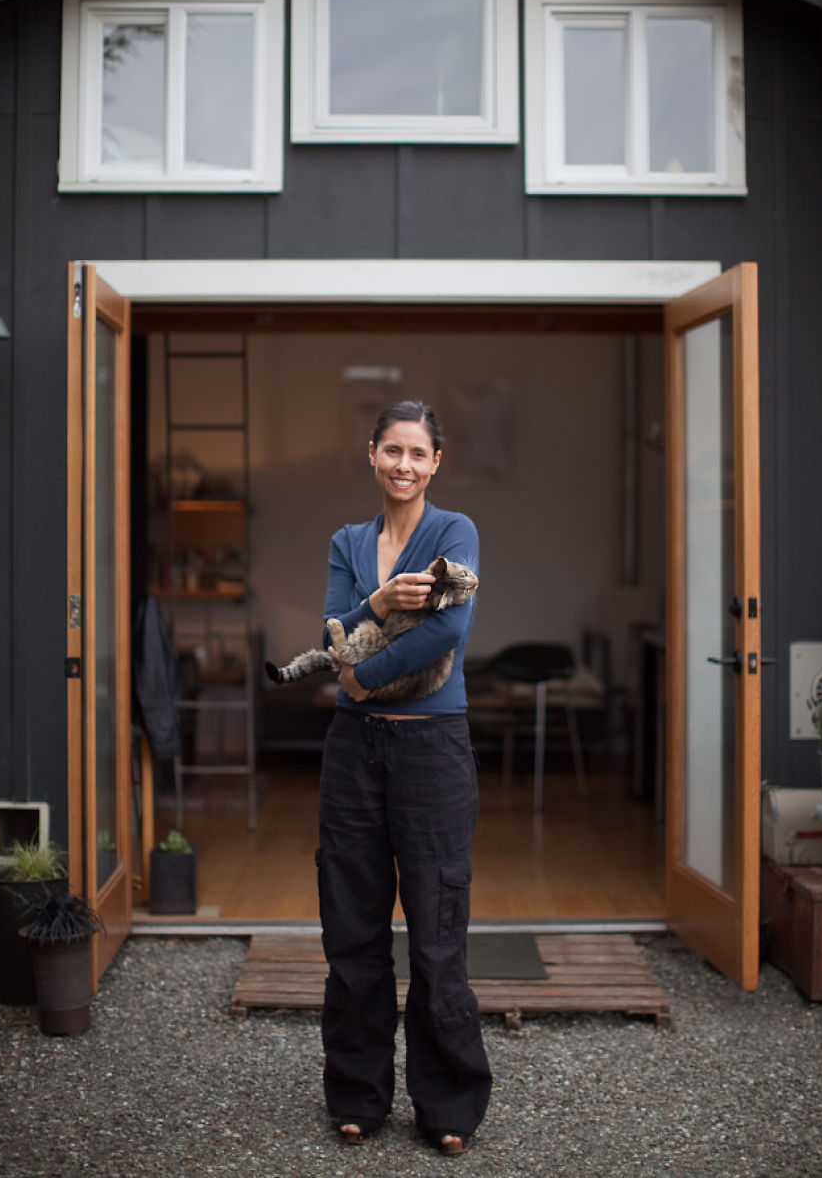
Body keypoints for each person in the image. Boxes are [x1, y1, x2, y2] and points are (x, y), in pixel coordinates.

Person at [317, 399, 492, 1157]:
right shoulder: (348, 541)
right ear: (371, 454)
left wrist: (359, 678)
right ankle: (358, 1094)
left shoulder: (454, 533)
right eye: (392, 450)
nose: (404, 465)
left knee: (436, 928)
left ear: (435, 463)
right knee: (352, 926)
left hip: (431, 750)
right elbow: (332, 634)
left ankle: (447, 1102)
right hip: (354, 754)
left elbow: (449, 629)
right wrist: (380, 603)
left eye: (418, 454)